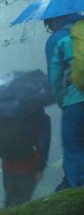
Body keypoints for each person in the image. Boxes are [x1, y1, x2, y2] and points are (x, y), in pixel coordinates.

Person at [45, 14, 84, 189]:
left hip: (75, 100)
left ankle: (77, 194)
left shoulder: (58, 40)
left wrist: (63, 102)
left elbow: (55, 79)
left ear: (55, 20)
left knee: (74, 148)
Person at [0, 110, 52, 207]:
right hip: (28, 169)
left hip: (7, 167)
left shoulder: (3, 114)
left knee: (10, 201)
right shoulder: (36, 116)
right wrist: (41, 167)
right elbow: (42, 145)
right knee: (23, 205)